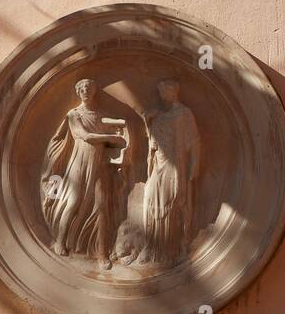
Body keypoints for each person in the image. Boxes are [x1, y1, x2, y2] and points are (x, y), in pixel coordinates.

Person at [41, 78, 126, 270]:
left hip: (99, 166)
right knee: (73, 201)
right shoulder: (74, 115)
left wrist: (120, 127)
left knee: (102, 207)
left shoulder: (100, 115)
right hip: (79, 164)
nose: (86, 90)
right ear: (78, 92)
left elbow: (112, 126)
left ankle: (102, 253)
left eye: (89, 87)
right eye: (82, 88)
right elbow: (85, 135)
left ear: (94, 91)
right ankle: (60, 240)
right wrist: (111, 137)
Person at [139, 79, 200, 266]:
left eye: (165, 91)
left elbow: (194, 140)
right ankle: (150, 245)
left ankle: (172, 248)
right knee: (149, 198)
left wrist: (195, 165)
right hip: (158, 164)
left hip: (175, 165)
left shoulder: (184, 113)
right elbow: (152, 140)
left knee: (173, 203)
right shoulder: (160, 115)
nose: (162, 95)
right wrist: (148, 119)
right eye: (161, 92)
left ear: (174, 92)